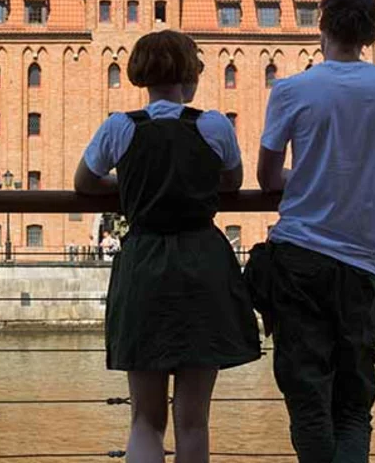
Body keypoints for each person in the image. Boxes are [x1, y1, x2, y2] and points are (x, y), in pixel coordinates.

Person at [74, 30, 261, 463]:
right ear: (188, 74)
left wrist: (131, 186)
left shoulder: (119, 127)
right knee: (194, 420)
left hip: (144, 262)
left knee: (145, 418)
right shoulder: (214, 124)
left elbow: (84, 183)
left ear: (140, 75)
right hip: (202, 262)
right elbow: (232, 181)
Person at [253, 0, 375, 463]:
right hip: (363, 263)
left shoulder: (291, 89)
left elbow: (267, 178)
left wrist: (308, 177)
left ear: (322, 28)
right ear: (372, 35)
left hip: (300, 257)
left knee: (308, 400)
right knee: (353, 405)